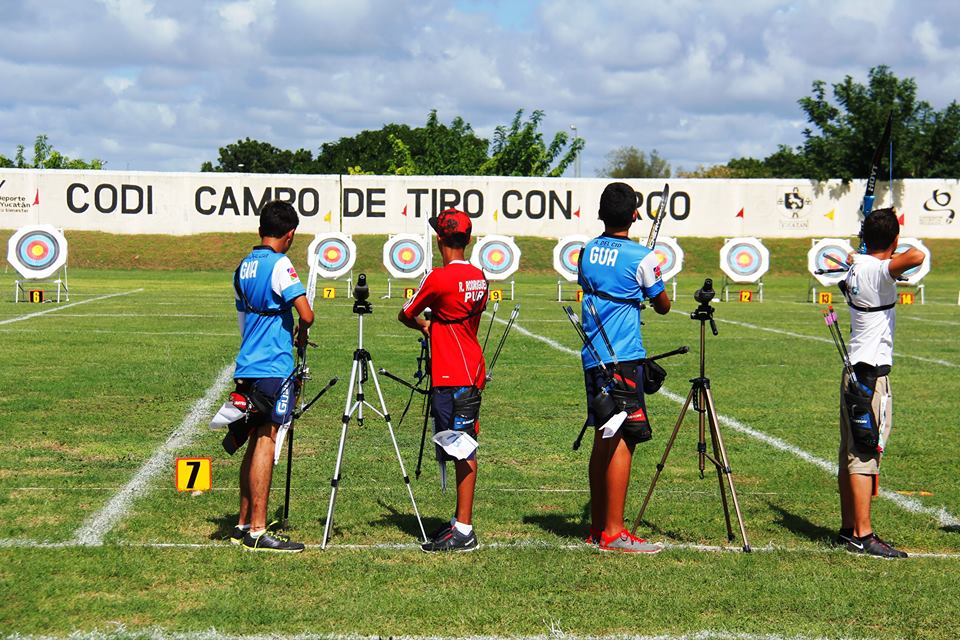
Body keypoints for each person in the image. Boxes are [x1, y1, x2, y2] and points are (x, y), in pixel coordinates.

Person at [578, 182, 671, 553]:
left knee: (604, 435)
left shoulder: (586, 251)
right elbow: (662, 304)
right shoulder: (642, 257)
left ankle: (599, 526)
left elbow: (594, 284)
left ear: (602, 214)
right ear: (635, 215)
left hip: (594, 357)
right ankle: (614, 533)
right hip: (622, 358)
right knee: (623, 439)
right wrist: (646, 287)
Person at [398, 208, 488, 552]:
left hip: (453, 373)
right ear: (468, 239)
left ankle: (464, 529)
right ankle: (457, 521)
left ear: (439, 240)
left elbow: (407, 313)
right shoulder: (479, 276)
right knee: (457, 442)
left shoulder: (438, 278)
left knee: (463, 447)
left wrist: (426, 325)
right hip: (469, 367)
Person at [836, 208, 924, 558]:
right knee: (865, 451)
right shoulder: (876, 268)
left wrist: (864, 252)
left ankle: (848, 529)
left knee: (850, 451)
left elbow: (877, 260)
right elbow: (916, 257)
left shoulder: (858, 265)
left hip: (853, 372)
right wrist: (892, 252)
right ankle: (864, 534)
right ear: (894, 239)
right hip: (870, 375)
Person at [229, 200, 314, 552]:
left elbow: (242, 318)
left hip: (248, 363)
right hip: (273, 365)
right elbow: (306, 314)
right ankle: (258, 531)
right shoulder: (281, 264)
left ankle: (242, 522)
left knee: (252, 438)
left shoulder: (243, 266)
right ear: (290, 234)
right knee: (266, 438)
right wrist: (301, 329)